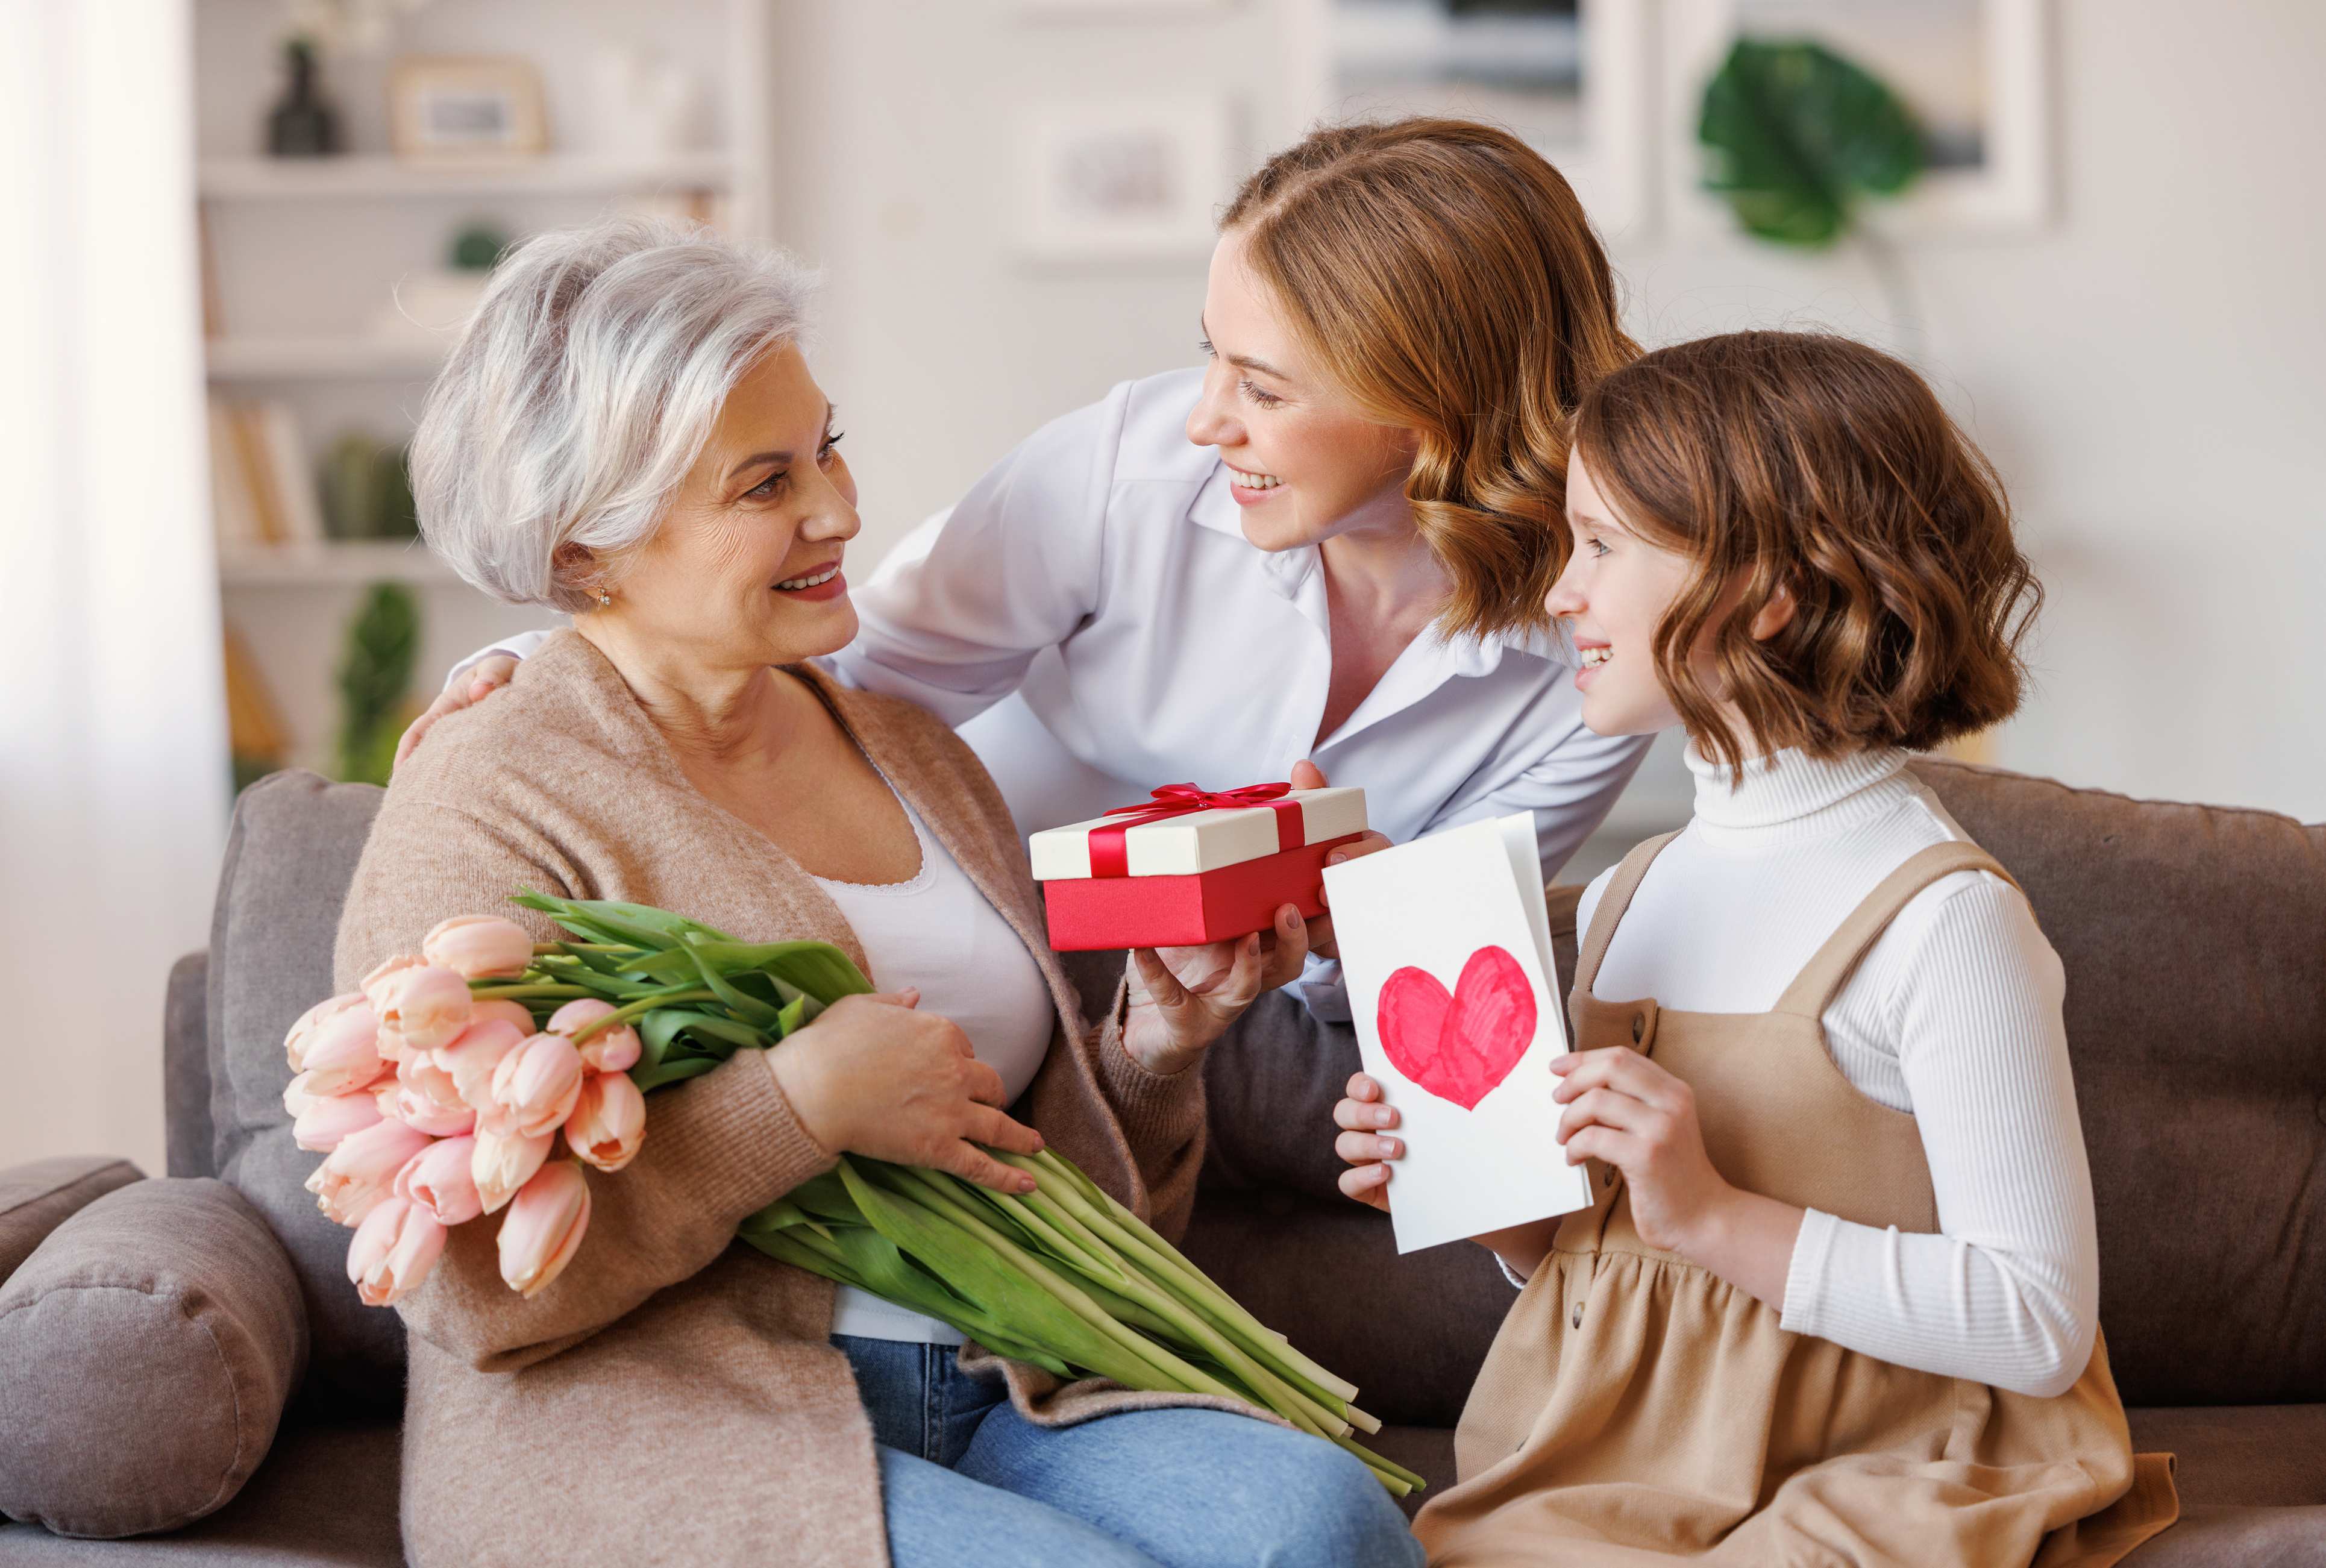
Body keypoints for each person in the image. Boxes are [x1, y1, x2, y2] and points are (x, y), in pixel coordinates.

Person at [340, 215, 1423, 1568]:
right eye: (764, 484)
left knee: (1325, 1524)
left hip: (1010, 1376)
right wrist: (792, 1107)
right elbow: (466, 1286)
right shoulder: (493, 790)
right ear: (585, 548)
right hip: (675, 1420)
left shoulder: (910, 750)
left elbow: (1053, 1196)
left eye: (828, 447)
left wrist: (1154, 1052)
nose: (842, 509)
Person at [1332, 331, 2178, 1564]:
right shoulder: (1628, 894)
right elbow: (1609, 1275)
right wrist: (1483, 1198)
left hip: (1884, 1464)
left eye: (1603, 547)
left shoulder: (1940, 916)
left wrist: (1713, 1214)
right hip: (1624, 1461)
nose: (1562, 590)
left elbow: (2037, 1318)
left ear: (1762, 594)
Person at [398, 117, 1651, 911]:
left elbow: (1442, 950)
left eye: (1262, 388)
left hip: (1292, 1025)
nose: (1206, 418)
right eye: (1209, 355)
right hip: (1013, 949)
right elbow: (850, 665)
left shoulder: (1601, 634)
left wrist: (1330, 902)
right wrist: (532, 673)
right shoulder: (1130, 470)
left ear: (1429, 408)